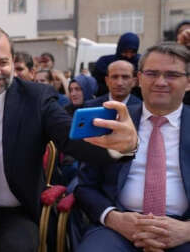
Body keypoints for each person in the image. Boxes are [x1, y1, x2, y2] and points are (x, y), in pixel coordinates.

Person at [0, 25, 138, 252]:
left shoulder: (36, 99)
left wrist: (121, 148)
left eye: (2, 62)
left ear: (13, 61)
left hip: (16, 212)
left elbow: (72, 139)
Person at [76, 42, 190, 252]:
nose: (160, 82)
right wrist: (113, 218)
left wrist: (186, 230)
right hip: (118, 227)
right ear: (139, 79)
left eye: (172, 74)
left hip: (183, 229)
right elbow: (84, 186)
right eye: (151, 73)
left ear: (189, 82)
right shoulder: (111, 122)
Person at [93, 32, 141, 96]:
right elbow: (96, 86)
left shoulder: (140, 63)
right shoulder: (104, 63)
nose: (128, 56)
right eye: (125, 52)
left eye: (132, 52)